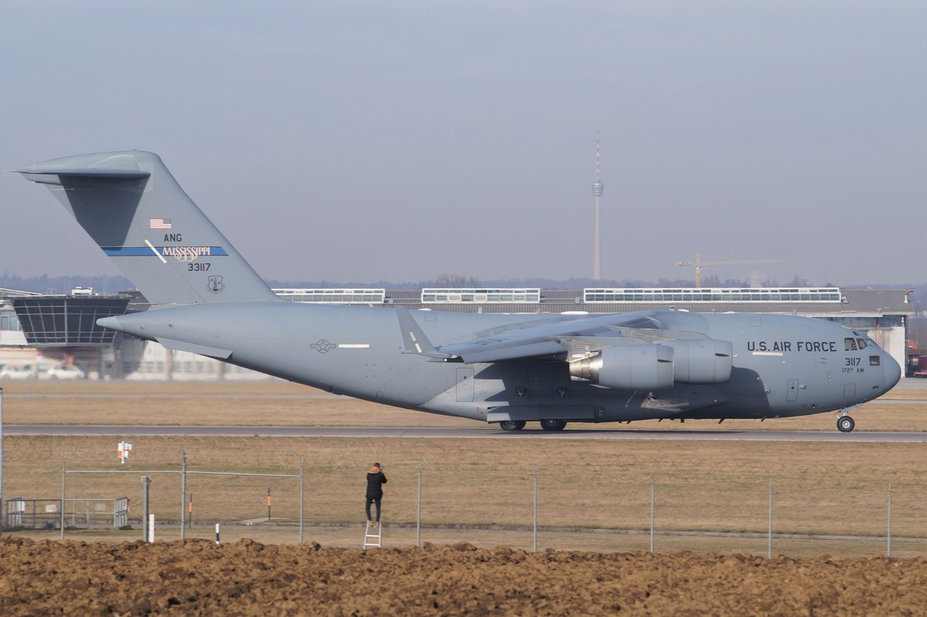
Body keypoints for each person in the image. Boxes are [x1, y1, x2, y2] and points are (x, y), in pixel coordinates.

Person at [365, 462, 387, 527]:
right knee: (378, 508)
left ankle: (370, 521)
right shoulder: (380, 475)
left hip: (369, 493)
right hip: (378, 493)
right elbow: (384, 481)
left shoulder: (368, 475)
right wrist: (381, 473)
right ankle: (377, 522)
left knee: (367, 507)